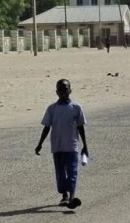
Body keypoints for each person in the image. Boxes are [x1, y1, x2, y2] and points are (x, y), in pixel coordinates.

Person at [35, 79, 89, 210]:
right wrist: (40, 143)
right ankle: (64, 195)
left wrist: (85, 145)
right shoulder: (52, 109)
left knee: (72, 172)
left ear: (70, 90)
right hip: (57, 146)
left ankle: (71, 198)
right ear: (56, 92)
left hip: (72, 146)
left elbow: (81, 127)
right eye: (60, 90)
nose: (63, 93)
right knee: (60, 172)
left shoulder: (76, 107)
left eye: (65, 90)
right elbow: (46, 127)